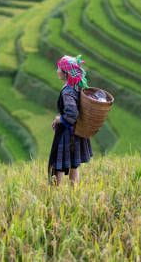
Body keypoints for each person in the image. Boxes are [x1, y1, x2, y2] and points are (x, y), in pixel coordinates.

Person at [48, 55, 93, 186]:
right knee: (74, 164)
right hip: (78, 131)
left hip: (67, 133)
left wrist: (59, 119)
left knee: (58, 164)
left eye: (59, 69)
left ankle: (54, 193)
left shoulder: (68, 91)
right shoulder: (77, 87)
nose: (57, 71)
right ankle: (74, 193)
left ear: (66, 73)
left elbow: (72, 113)